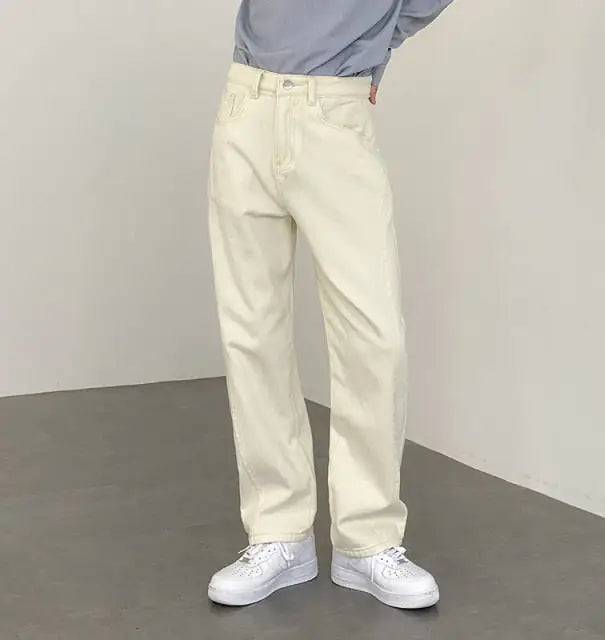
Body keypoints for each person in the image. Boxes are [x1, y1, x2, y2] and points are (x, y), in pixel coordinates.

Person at [206, 0, 455, 609]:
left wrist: (375, 40)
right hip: (246, 101)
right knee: (252, 332)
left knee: (373, 335)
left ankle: (368, 539)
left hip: (334, 109)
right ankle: (277, 532)